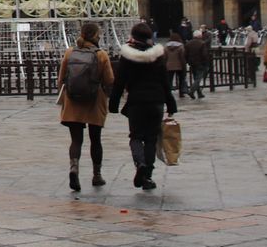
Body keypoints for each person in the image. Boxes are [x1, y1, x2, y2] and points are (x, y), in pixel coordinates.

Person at [108, 22, 176, 191]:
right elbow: (165, 82)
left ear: (134, 36)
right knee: (151, 139)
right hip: (156, 101)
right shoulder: (158, 55)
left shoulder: (127, 56)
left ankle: (140, 164)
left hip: (136, 102)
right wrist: (171, 103)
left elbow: (119, 81)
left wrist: (113, 103)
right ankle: (147, 177)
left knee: (136, 137)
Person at [57, 21, 114, 191]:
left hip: (73, 101)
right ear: (96, 36)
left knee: (76, 140)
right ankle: (97, 175)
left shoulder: (70, 52)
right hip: (94, 101)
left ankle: (74, 168)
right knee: (95, 139)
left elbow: (61, 78)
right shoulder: (101, 55)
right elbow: (109, 80)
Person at [162, 30, 189, 100]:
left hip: (169, 66)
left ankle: (168, 93)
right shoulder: (181, 46)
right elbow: (182, 57)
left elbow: (164, 57)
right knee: (181, 79)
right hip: (179, 65)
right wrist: (184, 66)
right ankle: (181, 93)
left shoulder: (166, 46)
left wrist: (164, 65)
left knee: (169, 80)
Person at [184, 30, 211, 99]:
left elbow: (185, 54)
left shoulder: (188, 43)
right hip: (200, 63)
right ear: (200, 36)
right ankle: (191, 91)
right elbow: (204, 54)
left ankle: (199, 93)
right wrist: (206, 62)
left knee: (196, 77)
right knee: (198, 79)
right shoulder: (202, 43)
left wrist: (188, 62)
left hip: (192, 63)